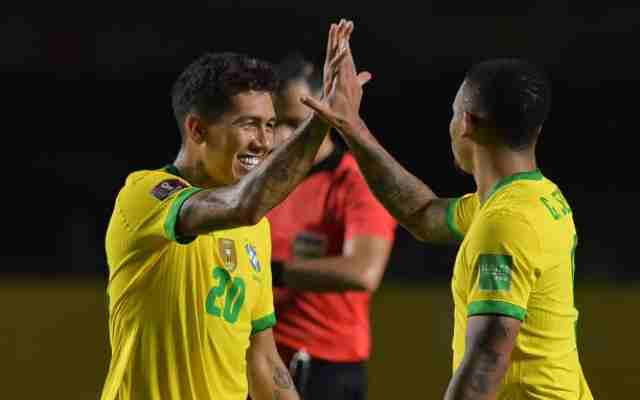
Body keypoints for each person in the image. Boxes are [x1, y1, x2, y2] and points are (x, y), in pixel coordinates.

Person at [303, 44, 593, 399]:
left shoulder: (506, 222)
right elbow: (423, 214)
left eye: (454, 113)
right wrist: (352, 126)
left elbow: (486, 362)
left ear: (467, 123)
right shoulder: (537, 198)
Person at [100, 20, 364, 400]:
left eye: (270, 125)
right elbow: (242, 204)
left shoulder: (254, 227)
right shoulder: (145, 195)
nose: (264, 141)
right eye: (248, 125)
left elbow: (264, 360)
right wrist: (322, 120)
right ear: (197, 130)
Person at [266, 53, 397, 400]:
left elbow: (363, 272)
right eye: (271, 123)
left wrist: (268, 273)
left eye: (293, 123)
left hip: (326, 369)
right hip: (259, 362)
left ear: (321, 115)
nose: (280, 136)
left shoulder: (355, 182)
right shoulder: (258, 184)